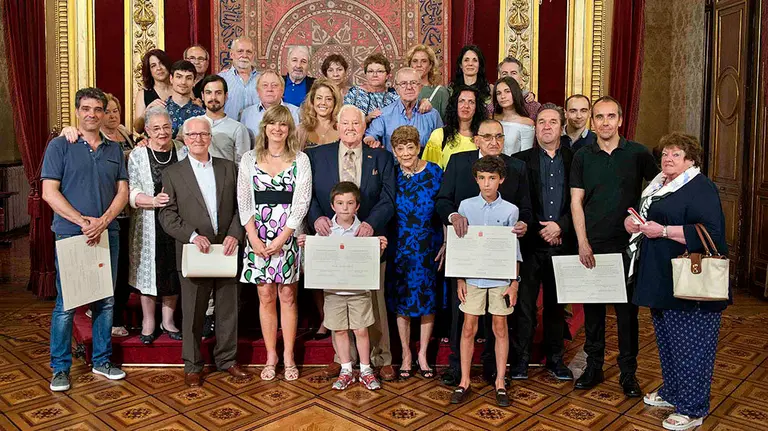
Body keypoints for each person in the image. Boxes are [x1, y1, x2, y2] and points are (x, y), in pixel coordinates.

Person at [627, 133, 728, 430]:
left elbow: (713, 233)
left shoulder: (701, 187)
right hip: (660, 277)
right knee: (668, 342)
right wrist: (633, 223)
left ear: (691, 160)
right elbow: (649, 219)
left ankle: (693, 409)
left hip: (691, 281)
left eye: (676, 154)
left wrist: (665, 231)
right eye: (665, 154)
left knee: (691, 346)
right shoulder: (660, 183)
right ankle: (673, 392)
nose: (668, 159)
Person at [570, 96, 659, 396]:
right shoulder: (582, 155)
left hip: (628, 248)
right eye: (599, 117)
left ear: (620, 120)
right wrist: (582, 242)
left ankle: (628, 374)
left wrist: (645, 223)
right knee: (592, 313)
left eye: (611, 116)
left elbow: (661, 188)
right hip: (593, 246)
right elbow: (576, 201)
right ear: (592, 122)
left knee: (627, 315)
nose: (605, 122)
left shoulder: (637, 153)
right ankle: (593, 366)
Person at [42, 87, 129, 392]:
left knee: (106, 301)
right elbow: (49, 192)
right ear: (77, 111)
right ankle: (60, 368)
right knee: (67, 305)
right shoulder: (59, 146)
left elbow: (123, 192)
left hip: (108, 233)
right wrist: (82, 222)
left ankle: (102, 362)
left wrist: (103, 222)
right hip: (70, 234)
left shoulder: (114, 149)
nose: (92, 114)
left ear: (105, 113)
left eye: (98, 109)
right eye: (86, 109)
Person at [436, 119, 532, 387]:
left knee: (499, 321)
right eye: (487, 136)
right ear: (476, 139)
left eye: (498, 136)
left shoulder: (517, 167)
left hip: (500, 262)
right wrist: (454, 215)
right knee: (464, 317)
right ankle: (458, 369)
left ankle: (493, 369)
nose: (493, 142)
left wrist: (524, 224)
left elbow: (524, 209)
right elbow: (443, 200)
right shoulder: (458, 162)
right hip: (467, 259)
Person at [306, 104, 397, 381]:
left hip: (368, 238)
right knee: (336, 298)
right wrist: (317, 218)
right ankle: (343, 360)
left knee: (373, 299)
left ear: (364, 127)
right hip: (330, 239)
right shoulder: (316, 156)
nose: (350, 129)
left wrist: (372, 224)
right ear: (337, 125)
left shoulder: (380, 157)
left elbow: (388, 197)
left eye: (356, 124)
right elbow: (305, 194)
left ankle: (380, 358)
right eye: (345, 124)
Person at [158, 117, 247, 387]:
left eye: (203, 134)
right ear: (184, 139)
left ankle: (227, 360)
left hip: (227, 249)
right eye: (192, 134)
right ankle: (193, 364)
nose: (198, 138)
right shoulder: (173, 173)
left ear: (211, 137)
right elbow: (167, 215)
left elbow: (241, 207)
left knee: (228, 309)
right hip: (194, 251)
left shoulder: (229, 168)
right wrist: (193, 236)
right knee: (194, 310)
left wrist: (235, 233)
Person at [237, 105, 312, 382]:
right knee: (265, 294)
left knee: (288, 295)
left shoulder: (300, 160)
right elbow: (244, 201)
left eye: (283, 125)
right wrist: (254, 238)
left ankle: (289, 355)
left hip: (287, 234)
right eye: (272, 124)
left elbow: (302, 202)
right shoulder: (248, 159)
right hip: (257, 234)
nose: (277, 129)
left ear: (289, 129)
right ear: (265, 128)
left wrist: (282, 238)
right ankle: (272, 356)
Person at [297, 182, 389, 391]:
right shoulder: (325, 232)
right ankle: (346, 369)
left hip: (359, 292)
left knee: (361, 330)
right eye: (340, 203)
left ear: (357, 206)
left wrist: (379, 249)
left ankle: (365, 369)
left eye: (349, 203)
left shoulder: (364, 232)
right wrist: (307, 246)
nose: (345, 208)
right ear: (332, 205)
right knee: (338, 330)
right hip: (333, 292)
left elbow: (370, 263)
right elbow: (314, 262)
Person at [450, 155, 522, 407]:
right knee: (468, 327)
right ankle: (465, 380)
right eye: (482, 178)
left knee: (500, 327)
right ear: (476, 179)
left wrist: (514, 283)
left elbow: (514, 249)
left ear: (501, 180)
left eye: (492, 178)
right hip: (472, 277)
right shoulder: (466, 206)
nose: (487, 184)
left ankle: (500, 381)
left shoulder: (511, 210)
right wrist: (460, 279)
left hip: (501, 277)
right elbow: (460, 245)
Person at [510, 104, 575, 381]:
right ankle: (521, 360)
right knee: (524, 306)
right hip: (530, 245)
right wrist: (539, 228)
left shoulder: (577, 159)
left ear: (561, 127)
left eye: (552, 122)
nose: (546, 127)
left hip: (562, 241)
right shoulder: (519, 160)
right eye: (541, 122)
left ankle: (556, 359)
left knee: (556, 306)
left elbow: (582, 202)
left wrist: (561, 225)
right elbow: (517, 203)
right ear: (535, 128)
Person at [385, 126, 444, 380]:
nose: (406, 153)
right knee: (403, 302)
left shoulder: (434, 172)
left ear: (418, 147)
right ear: (394, 151)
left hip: (429, 246)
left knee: (427, 301)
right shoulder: (393, 174)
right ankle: (407, 354)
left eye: (410, 147)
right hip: (400, 247)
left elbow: (444, 206)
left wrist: (446, 242)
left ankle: (423, 356)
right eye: (400, 148)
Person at [127, 106, 187, 345]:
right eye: (156, 128)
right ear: (147, 132)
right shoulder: (138, 155)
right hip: (148, 223)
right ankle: (148, 322)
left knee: (173, 270)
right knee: (149, 273)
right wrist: (152, 201)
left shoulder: (182, 150)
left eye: (166, 127)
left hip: (177, 222)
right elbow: (131, 190)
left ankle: (168, 321)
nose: (162, 133)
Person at [363, 68, 443, 152]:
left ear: (420, 86)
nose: (409, 87)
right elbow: (369, 136)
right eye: (403, 83)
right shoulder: (384, 114)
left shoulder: (432, 115)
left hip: (424, 163)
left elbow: (443, 141)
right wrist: (371, 142)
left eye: (413, 83)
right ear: (396, 88)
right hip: (393, 164)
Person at [422, 86, 485, 170]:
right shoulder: (439, 135)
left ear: (477, 107)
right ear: (455, 105)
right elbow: (430, 173)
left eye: (471, 102)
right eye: (461, 101)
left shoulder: (484, 137)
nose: (466, 106)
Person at [197, 74, 251, 165]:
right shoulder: (192, 124)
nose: (213, 97)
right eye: (208, 93)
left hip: (227, 178)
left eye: (218, 93)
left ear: (226, 96)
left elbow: (242, 165)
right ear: (202, 96)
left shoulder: (238, 129)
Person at [241, 71, 301, 137]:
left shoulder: (296, 113)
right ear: (258, 91)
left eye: (274, 85)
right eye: (265, 85)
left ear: (282, 90)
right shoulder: (246, 114)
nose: (269, 89)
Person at [343, 53, 399, 121]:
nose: (374, 75)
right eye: (370, 71)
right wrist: (367, 119)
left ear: (387, 75)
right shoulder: (354, 93)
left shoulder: (394, 95)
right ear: (366, 74)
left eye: (380, 71)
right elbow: (344, 120)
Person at [219, 37, 260, 120]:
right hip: (229, 131)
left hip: (258, 131)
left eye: (248, 52)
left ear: (253, 55)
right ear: (231, 54)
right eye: (240, 51)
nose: (244, 55)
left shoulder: (263, 79)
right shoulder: (220, 79)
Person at [406, 44, 450, 122]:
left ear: (430, 65)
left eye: (424, 61)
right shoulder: (402, 90)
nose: (419, 65)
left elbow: (447, 123)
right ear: (410, 65)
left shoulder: (441, 92)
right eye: (415, 61)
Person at [134, 49, 173, 132]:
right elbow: (138, 129)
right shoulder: (143, 94)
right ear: (149, 71)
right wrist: (147, 111)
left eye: (161, 63)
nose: (159, 68)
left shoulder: (181, 89)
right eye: (153, 66)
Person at [493, 77, 535, 155]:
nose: (502, 96)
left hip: (515, 165)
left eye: (507, 91)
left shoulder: (526, 123)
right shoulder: (491, 119)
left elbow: (525, 156)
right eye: (498, 93)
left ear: (515, 93)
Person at [298, 79, 342, 150]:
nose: (323, 103)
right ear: (313, 101)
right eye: (319, 98)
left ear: (335, 102)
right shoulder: (301, 130)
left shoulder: (342, 129)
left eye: (328, 99)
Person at [166, 60, 206, 138]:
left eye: (188, 78)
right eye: (179, 77)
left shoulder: (201, 114)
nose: (183, 82)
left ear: (194, 82)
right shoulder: (160, 110)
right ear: (171, 79)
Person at [451, 45, 493, 117]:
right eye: (466, 60)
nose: (470, 64)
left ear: (479, 65)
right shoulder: (451, 90)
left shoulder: (490, 90)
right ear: (461, 64)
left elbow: (492, 114)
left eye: (475, 60)